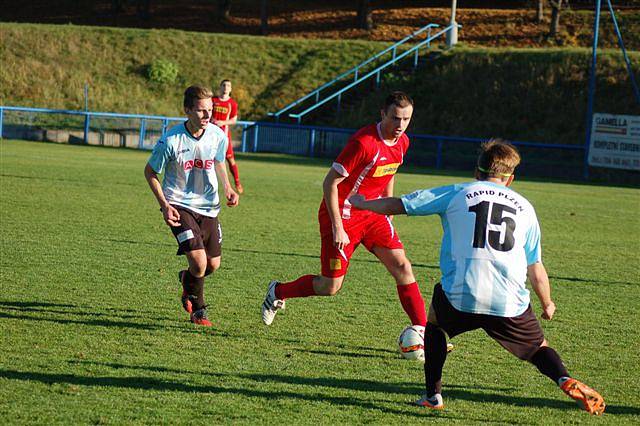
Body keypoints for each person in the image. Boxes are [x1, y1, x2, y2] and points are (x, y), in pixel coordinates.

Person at [348, 139, 605, 415]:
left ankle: (433, 396)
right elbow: (536, 268)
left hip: (462, 293)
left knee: (435, 324)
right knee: (538, 348)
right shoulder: (526, 208)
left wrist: (363, 203)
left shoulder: (458, 192)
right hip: (508, 300)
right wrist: (548, 303)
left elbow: (400, 205)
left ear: (477, 172)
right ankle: (563, 378)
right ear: (510, 179)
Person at [261, 92, 429, 338]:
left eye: (406, 119)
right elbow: (330, 183)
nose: (400, 125)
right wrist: (338, 227)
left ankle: (424, 333)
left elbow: (390, 171)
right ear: (383, 114)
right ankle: (278, 292)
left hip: (373, 214)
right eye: (395, 118)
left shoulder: (403, 142)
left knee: (403, 266)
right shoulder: (363, 143)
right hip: (342, 214)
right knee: (330, 286)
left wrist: (387, 207)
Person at [144, 85, 239, 327]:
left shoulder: (217, 135)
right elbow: (150, 171)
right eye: (201, 111)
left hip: (209, 207)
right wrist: (165, 205)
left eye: (209, 110)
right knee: (199, 262)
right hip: (179, 205)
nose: (207, 116)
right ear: (187, 110)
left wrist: (227, 186)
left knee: (212, 265)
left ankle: (187, 281)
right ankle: (199, 310)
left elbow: (218, 161)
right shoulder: (171, 140)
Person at [212, 79, 243, 194]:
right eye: (224, 85)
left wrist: (223, 122)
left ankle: (237, 182)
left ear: (230, 89)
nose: (225, 87)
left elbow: (234, 120)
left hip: (224, 136)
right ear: (220, 87)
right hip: (211, 135)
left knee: (230, 159)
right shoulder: (213, 100)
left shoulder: (232, 103)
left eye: (228, 86)